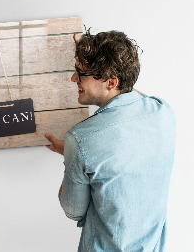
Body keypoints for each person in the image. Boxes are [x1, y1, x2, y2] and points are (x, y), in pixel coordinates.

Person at [45, 30, 175, 251]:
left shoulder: (80, 139)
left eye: (81, 72)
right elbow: (128, 92)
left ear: (111, 82)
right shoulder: (163, 111)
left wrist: (73, 155)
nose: (73, 78)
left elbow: (73, 211)